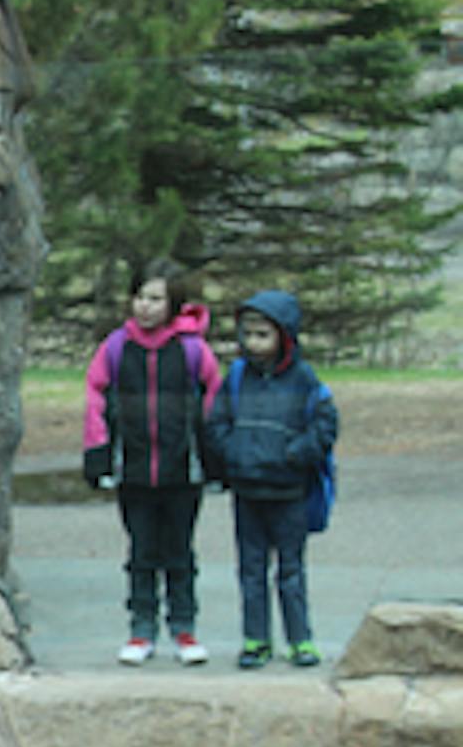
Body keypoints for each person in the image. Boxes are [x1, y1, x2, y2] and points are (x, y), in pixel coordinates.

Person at [82, 259, 223, 665]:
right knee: (141, 552)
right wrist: (98, 454)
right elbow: (95, 398)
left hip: (183, 472)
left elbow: (213, 403)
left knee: (179, 552)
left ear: (173, 303)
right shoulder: (115, 347)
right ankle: (141, 628)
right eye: (140, 296)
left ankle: (184, 627)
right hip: (135, 471)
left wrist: (215, 459)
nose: (145, 306)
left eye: (155, 298)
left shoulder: (194, 350)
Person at [203, 289, 339, 669]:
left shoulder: (304, 379)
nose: (253, 342)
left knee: (291, 570)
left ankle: (301, 639)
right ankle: (255, 639)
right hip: (248, 490)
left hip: (289, 490)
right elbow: (216, 423)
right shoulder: (238, 377)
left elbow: (325, 424)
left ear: (284, 336)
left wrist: (295, 455)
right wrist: (234, 454)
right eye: (247, 334)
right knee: (251, 570)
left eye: (263, 334)